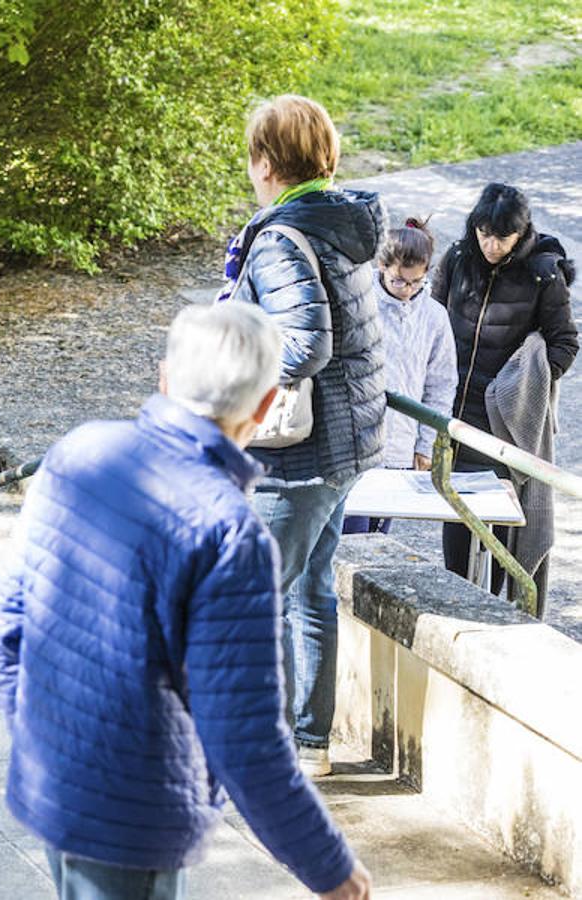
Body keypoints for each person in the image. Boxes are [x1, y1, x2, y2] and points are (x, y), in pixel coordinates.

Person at [0, 302, 372, 900]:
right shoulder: (229, 532)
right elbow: (245, 738)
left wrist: (42, 739)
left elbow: (3, 619)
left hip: (54, 782)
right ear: (266, 407)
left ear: (164, 379)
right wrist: (330, 868)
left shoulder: (79, 452)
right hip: (135, 812)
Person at [222, 95, 386, 777]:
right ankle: (309, 744)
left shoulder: (283, 237)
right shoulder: (339, 220)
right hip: (347, 443)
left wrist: (229, 386)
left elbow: (306, 345)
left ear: (265, 162)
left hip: (299, 453)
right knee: (309, 589)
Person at [433, 183, 577, 598]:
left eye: (502, 237)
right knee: (457, 526)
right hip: (454, 417)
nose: (491, 245)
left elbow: (565, 343)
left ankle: (492, 610)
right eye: (484, 234)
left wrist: (521, 385)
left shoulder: (543, 273)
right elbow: (434, 323)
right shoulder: (459, 258)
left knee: (499, 534)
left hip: (505, 425)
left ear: (521, 231)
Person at [343, 217, 455, 533]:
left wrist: (425, 444)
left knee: (379, 537)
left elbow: (441, 385)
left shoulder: (434, 317)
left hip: (401, 446)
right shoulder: (360, 305)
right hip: (356, 445)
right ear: (382, 267)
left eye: (416, 282)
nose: (407, 290)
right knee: (349, 533)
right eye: (399, 281)